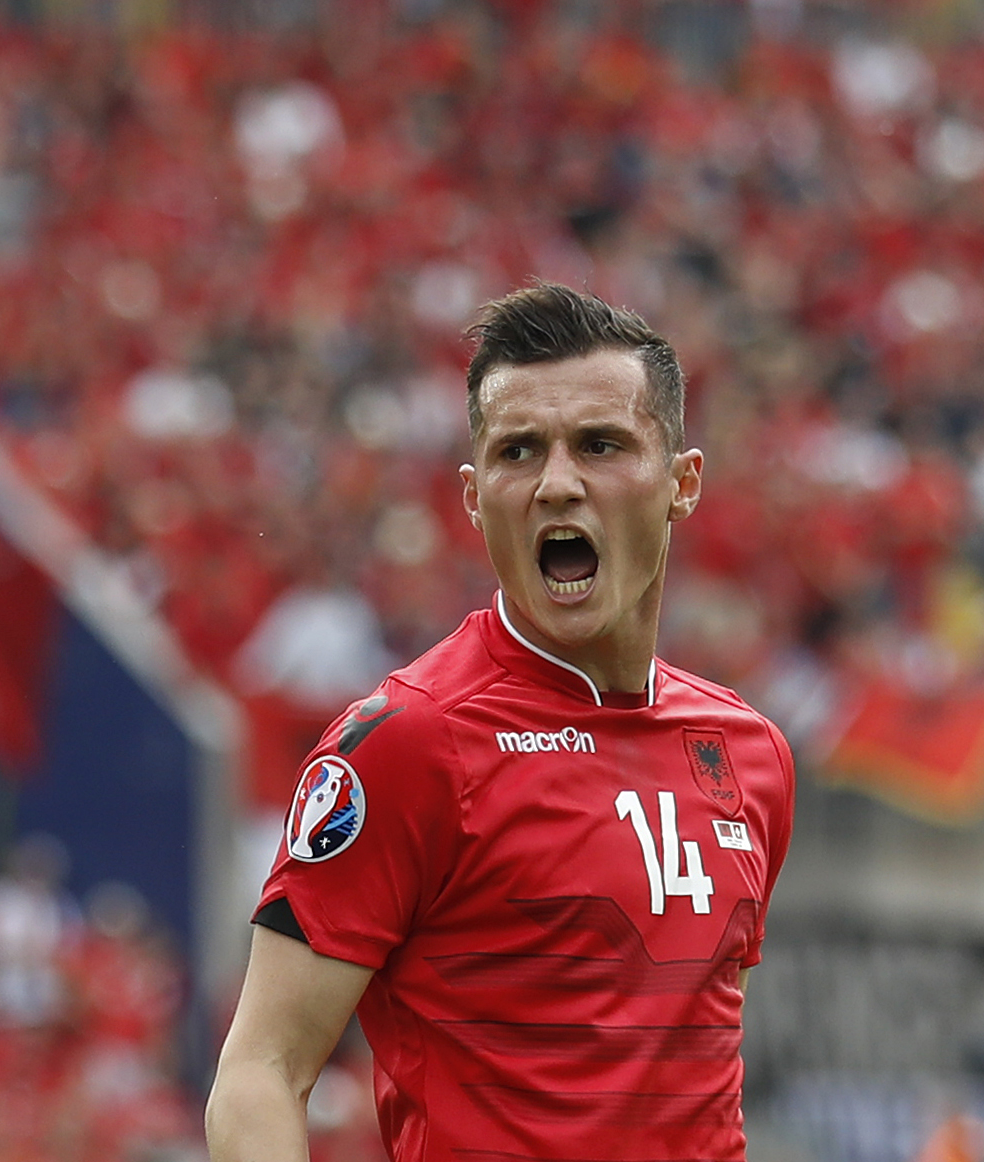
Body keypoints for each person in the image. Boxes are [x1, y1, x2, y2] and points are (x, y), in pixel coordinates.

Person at [207, 283, 794, 1162]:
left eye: (601, 445)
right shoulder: (405, 744)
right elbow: (259, 1073)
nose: (558, 483)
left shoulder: (749, 755)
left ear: (683, 483)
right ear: (478, 497)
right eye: (521, 451)